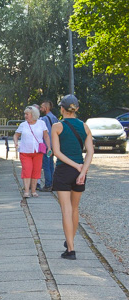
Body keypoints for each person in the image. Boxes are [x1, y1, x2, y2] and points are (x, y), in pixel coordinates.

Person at [50, 95, 94, 260]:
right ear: (76, 109)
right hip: (80, 172)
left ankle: (71, 249)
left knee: (66, 210)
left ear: (62, 109)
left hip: (64, 171)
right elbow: (90, 152)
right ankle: (70, 241)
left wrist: (75, 166)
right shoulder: (85, 127)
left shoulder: (57, 126)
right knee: (75, 209)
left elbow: (57, 152)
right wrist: (82, 171)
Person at [13, 105, 49, 199]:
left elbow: (46, 136)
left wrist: (49, 147)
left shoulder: (41, 123)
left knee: (36, 171)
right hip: (25, 151)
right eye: (25, 114)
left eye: (27, 114)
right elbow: (16, 135)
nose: (25, 116)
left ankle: (33, 191)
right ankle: (26, 191)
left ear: (33, 114)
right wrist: (16, 142)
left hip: (38, 151)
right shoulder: (23, 125)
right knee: (27, 170)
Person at [39, 100, 59, 192]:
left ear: (46, 108)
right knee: (51, 165)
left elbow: (45, 133)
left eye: (42, 107)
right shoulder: (54, 117)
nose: (40, 109)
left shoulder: (44, 119)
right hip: (53, 145)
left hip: (46, 146)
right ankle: (53, 183)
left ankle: (48, 185)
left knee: (46, 165)